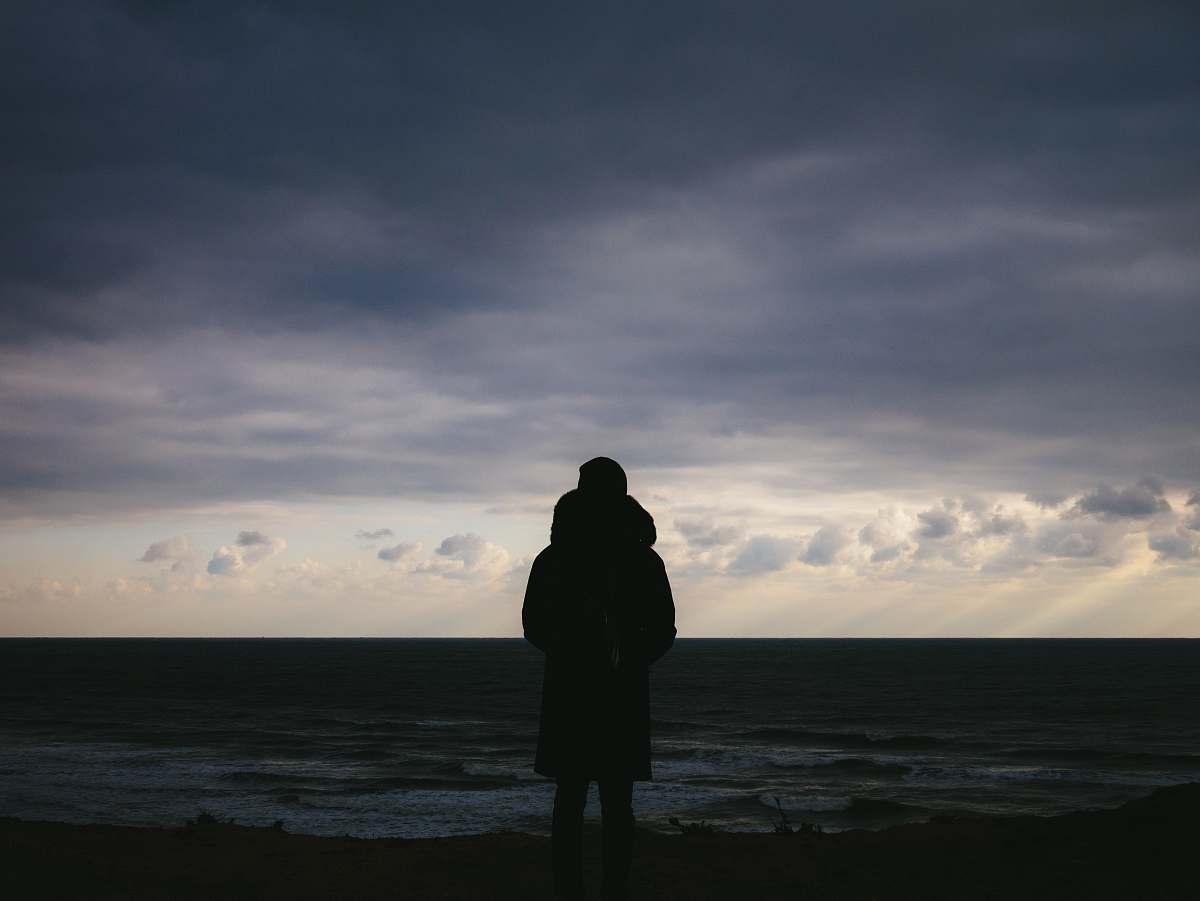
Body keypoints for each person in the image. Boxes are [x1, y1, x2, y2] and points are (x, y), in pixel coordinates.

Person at [523, 457, 676, 901]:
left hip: (573, 693)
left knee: (571, 801)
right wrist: (626, 660)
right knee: (614, 803)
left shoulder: (554, 558)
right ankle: (612, 890)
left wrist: (577, 652)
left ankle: (575, 890)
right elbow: (664, 631)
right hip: (618, 695)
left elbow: (535, 627)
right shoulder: (643, 560)